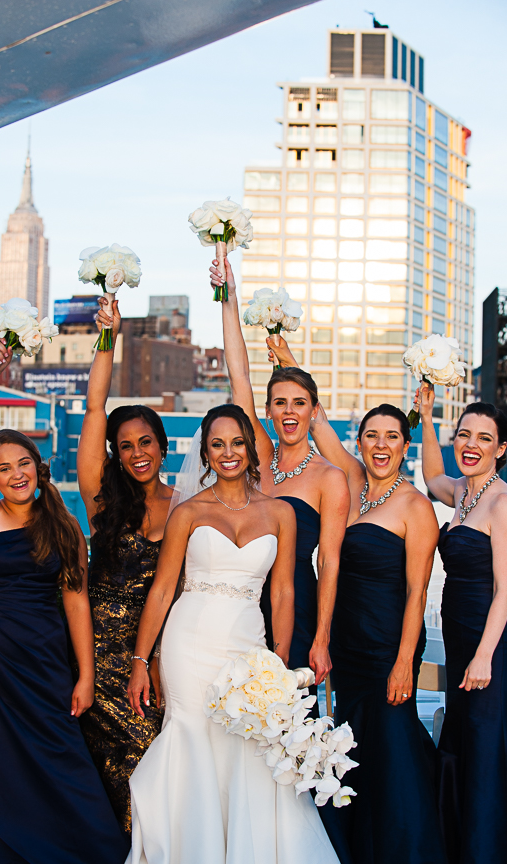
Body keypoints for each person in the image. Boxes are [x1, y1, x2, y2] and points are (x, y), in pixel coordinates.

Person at [125, 403, 338, 862]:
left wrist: (278, 664)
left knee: (252, 750)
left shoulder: (281, 513)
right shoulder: (189, 512)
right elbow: (163, 592)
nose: (228, 453)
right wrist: (143, 662)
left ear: (250, 448)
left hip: (248, 648)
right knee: (192, 740)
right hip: (189, 645)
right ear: (205, 452)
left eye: (237, 442)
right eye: (217, 444)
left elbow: (282, 594)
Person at [0, 346, 126, 862]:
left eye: (22, 462)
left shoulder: (64, 524)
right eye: (2, 468)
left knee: (63, 764)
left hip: (47, 666)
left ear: (37, 465)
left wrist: (86, 676)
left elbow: (76, 603)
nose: (15, 474)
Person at [276, 341, 448, 863]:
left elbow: (418, 591)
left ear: (405, 445)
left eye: (392, 436)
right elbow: (315, 418)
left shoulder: (414, 507)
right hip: (345, 648)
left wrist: (403, 665)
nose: (380, 444)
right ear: (360, 440)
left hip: (387, 651)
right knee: (354, 757)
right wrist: (284, 357)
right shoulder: (352, 487)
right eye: (371, 435)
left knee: (393, 754)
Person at [216, 259, 348, 683]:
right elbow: (240, 378)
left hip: (300, 605)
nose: (289, 411)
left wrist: (323, 637)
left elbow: (329, 560)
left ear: (312, 411)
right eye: (279, 403)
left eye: (299, 403)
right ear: (269, 410)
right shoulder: (262, 457)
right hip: (244, 600)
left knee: (288, 724)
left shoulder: (330, 478)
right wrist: (229, 297)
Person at [417, 388, 507, 863]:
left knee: (488, 742)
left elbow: (505, 590)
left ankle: (490, 850)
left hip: (495, 641)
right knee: (464, 738)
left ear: (501, 448)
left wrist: (484, 655)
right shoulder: (462, 490)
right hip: (463, 634)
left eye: (485, 438)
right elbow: (431, 475)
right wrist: (425, 417)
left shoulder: (503, 504)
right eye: (464, 434)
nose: (471, 444)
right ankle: (463, 844)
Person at [74, 295, 169, 832]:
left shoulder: (184, 505)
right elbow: (93, 407)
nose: (136, 453)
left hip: (150, 661)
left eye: (146, 442)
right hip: (94, 660)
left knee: (152, 772)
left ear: (161, 445)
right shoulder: (102, 501)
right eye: (125, 445)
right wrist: (108, 336)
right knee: (105, 781)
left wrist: (154, 659)